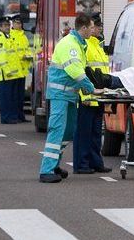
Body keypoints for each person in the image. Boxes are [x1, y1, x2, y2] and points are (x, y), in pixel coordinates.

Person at [39, 13, 98, 183]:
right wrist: (90, 87)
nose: (93, 30)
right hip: (60, 95)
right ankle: (46, 170)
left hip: (69, 95)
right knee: (57, 129)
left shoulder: (80, 44)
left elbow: (81, 69)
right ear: (84, 28)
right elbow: (74, 70)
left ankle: (55, 164)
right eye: (91, 27)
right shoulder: (70, 44)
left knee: (68, 131)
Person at [73, 14, 112, 174]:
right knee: (83, 133)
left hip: (99, 96)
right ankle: (81, 164)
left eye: (99, 26)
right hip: (88, 97)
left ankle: (96, 162)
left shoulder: (98, 45)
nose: (99, 28)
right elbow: (81, 73)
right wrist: (85, 96)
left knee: (96, 133)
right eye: (96, 26)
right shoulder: (86, 45)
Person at [0, 16, 24, 124]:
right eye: (5, 25)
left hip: (13, 73)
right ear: (0, 27)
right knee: (6, 97)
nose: (7, 27)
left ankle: (12, 116)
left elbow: (14, 56)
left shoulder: (9, 38)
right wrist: (7, 71)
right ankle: (6, 117)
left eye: (8, 25)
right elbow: (2, 58)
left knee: (12, 97)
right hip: (6, 74)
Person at [10, 14, 32, 123]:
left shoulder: (23, 36)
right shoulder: (10, 35)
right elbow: (11, 52)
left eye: (20, 23)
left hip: (22, 70)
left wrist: (28, 55)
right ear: (13, 24)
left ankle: (20, 115)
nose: (19, 25)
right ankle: (14, 115)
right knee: (13, 95)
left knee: (20, 96)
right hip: (14, 70)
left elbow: (26, 49)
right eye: (17, 23)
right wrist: (21, 56)